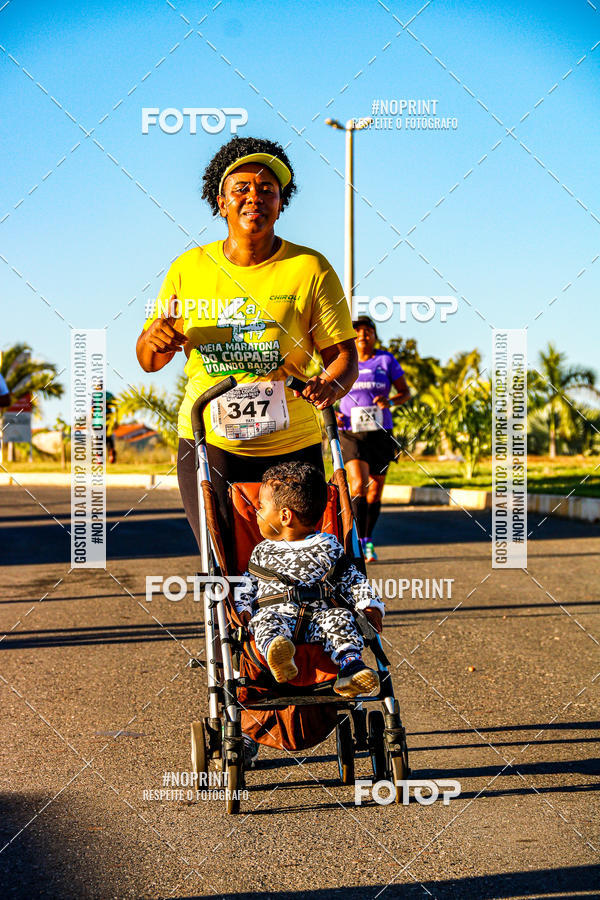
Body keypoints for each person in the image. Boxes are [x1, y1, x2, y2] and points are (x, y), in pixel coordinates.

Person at [136, 136, 358, 553]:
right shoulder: (189, 268)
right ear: (221, 203)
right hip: (210, 439)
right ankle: (233, 617)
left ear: (280, 203)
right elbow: (149, 360)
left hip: (291, 440)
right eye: (241, 188)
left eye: (267, 189)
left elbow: (345, 358)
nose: (254, 196)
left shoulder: (309, 267)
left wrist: (331, 384)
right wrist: (155, 338)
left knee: (299, 560)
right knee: (222, 559)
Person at [234, 462, 384, 699]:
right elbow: (248, 583)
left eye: (261, 507)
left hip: (320, 620)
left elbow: (352, 579)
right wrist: (242, 608)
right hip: (278, 616)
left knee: (340, 619)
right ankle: (279, 655)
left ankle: (351, 667)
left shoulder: (328, 546)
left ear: (284, 516)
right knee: (265, 621)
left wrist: (369, 605)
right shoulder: (261, 551)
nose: (257, 513)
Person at [336, 316, 410, 563]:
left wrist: (390, 401)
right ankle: (355, 540)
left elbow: (404, 392)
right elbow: (329, 388)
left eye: (368, 332)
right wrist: (333, 412)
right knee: (358, 484)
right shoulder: (343, 362)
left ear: (375, 336)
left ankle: (368, 539)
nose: (363, 336)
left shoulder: (386, 360)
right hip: (350, 431)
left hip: (380, 432)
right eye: (357, 332)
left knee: (375, 492)